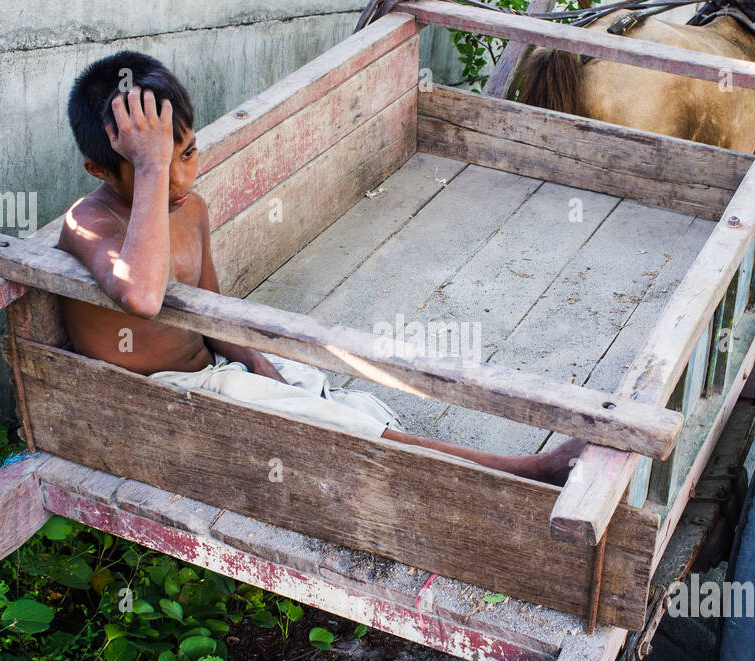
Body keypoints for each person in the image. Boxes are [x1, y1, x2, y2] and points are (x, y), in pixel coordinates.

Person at [60, 51, 584, 485]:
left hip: (216, 375)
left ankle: (436, 460)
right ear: (99, 169)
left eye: (188, 153)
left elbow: (216, 315)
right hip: (160, 404)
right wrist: (152, 163)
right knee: (334, 424)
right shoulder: (92, 224)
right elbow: (144, 297)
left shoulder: (191, 211)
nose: (179, 180)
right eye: (152, 165)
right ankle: (523, 472)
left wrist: (263, 367)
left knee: (333, 395)